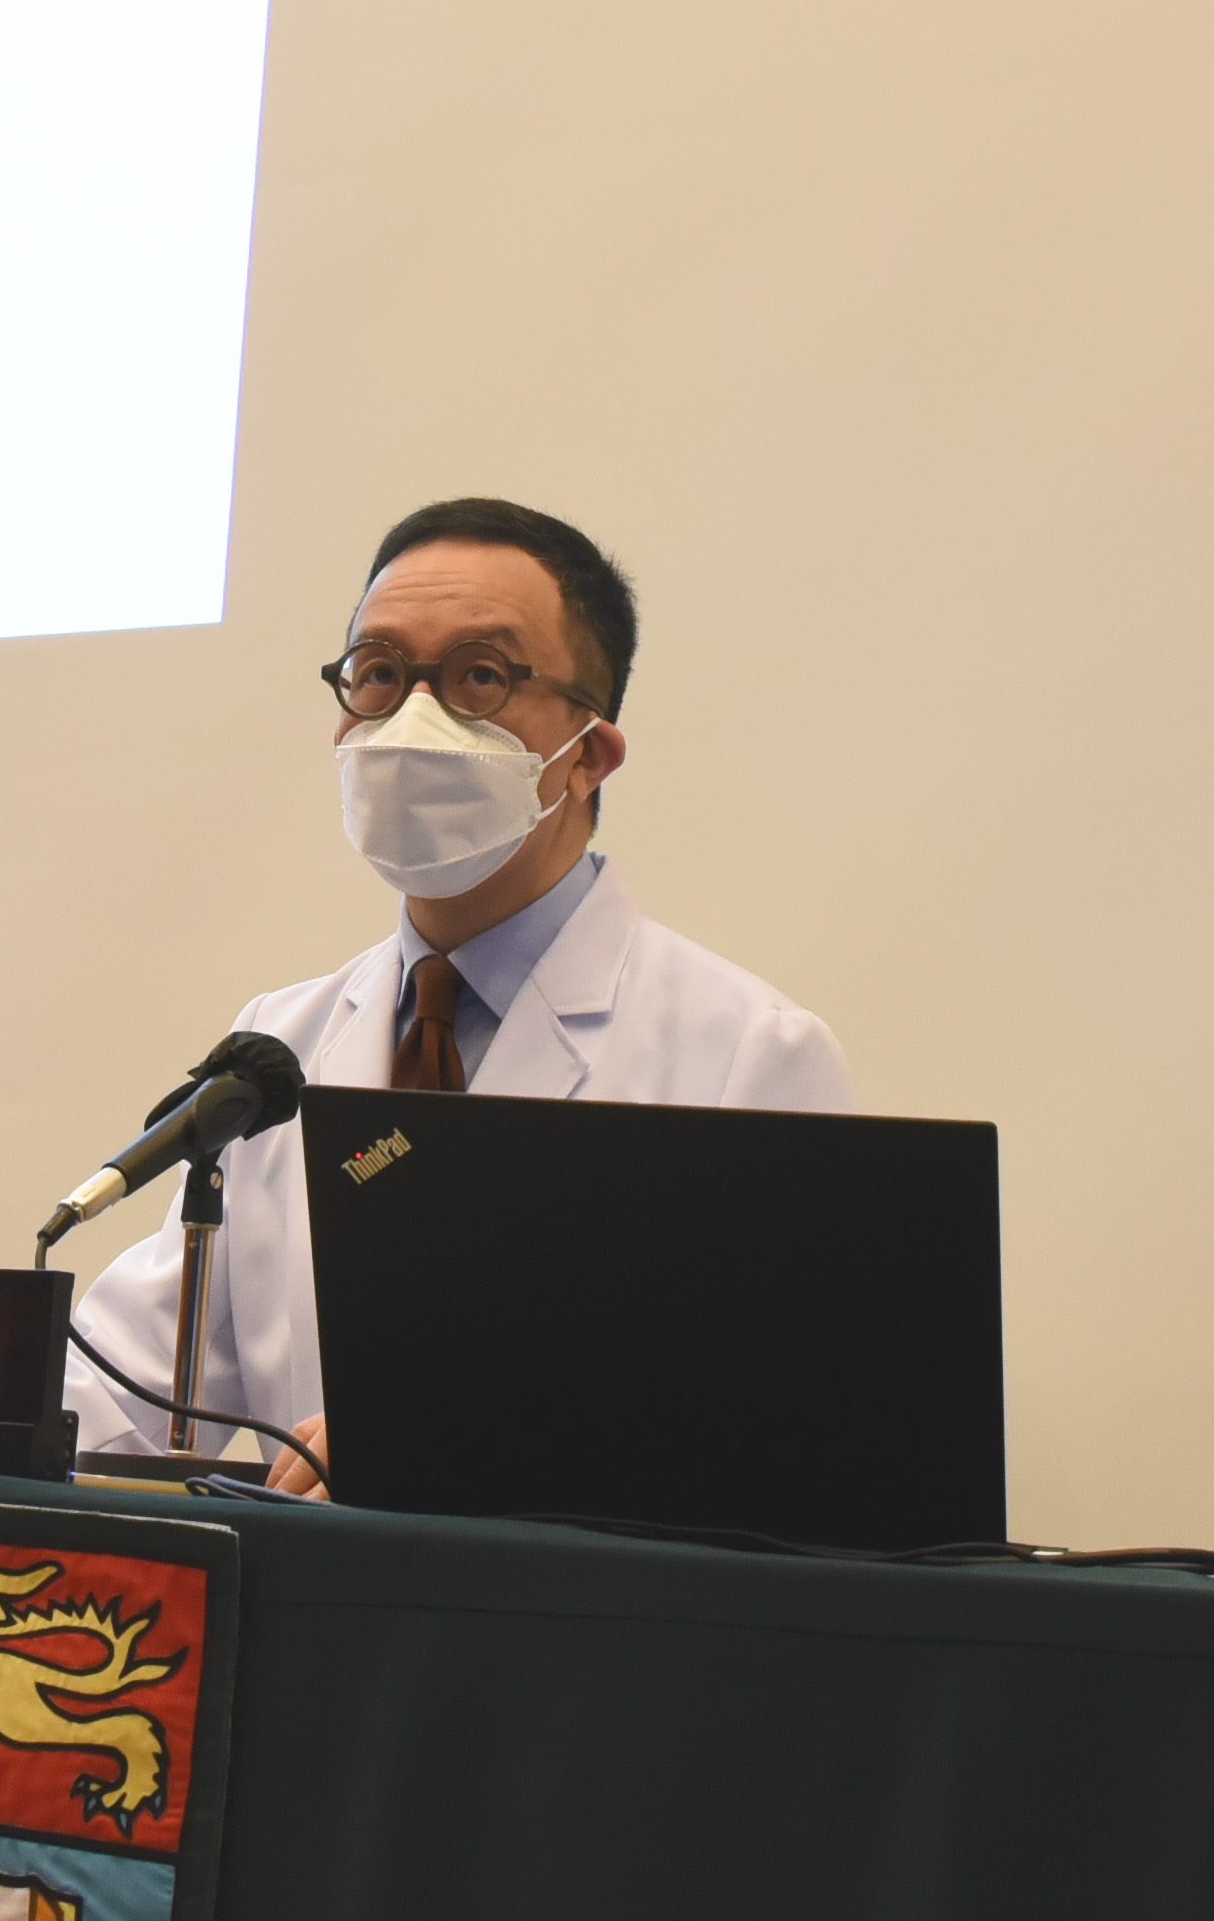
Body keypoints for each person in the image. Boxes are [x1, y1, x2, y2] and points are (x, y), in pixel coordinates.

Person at [70, 498, 853, 1483]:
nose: (412, 720)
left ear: (590, 756)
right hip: (297, 1620)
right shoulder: (278, 1047)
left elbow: (797, 1432)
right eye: (381, 674)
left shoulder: (746, 1050)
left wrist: (462, 1436)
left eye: (479, 676)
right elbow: (119, 1390)